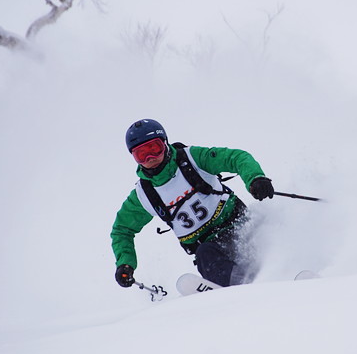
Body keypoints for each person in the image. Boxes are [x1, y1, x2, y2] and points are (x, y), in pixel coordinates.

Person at [110, 119, 275, 289]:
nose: (150, 158)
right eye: (141, 154)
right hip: (210, 248)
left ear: (165, 143)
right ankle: (246, 289)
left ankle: (284, 267)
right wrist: (125, 264)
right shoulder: (143, 195)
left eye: (154, 149)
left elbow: (235, 158)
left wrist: (255, 178)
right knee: (205, 255)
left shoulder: (192, 159)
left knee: (268, 227)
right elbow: (122, 230)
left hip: (239, 224)